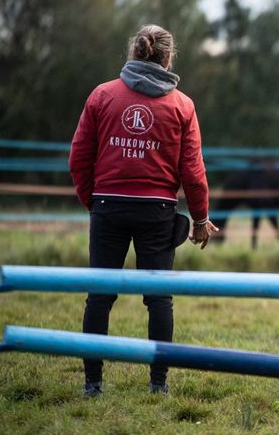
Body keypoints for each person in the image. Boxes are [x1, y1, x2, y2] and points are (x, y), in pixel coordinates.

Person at [69, 25, 219, 397]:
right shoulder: (182, 106)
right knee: (158, 298)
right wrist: (200, 219)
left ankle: (93, 384)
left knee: (99, 296)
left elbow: (79, 158)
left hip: (108, 205)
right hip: (158, 211)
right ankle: (158, 384)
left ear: (136, 52)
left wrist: (95, 203)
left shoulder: (102, 96)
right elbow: (193, 171)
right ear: (168, 58)